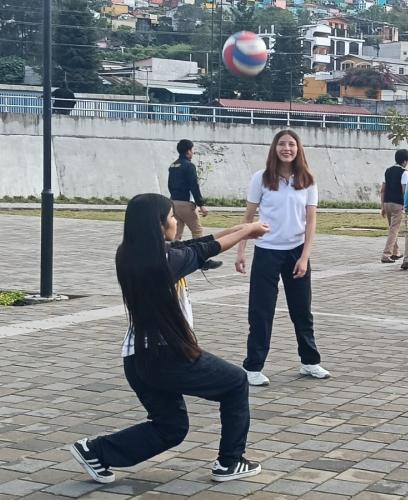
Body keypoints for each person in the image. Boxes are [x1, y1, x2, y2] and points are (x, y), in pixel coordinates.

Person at [69, 194, 268, 484]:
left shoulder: (130, 253)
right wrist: (248, 231)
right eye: (172, 217)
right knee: (236, 383)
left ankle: (96, 451)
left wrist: (238, 229)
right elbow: (205, 250)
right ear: (159, 225)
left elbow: (195, 245)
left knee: (170, 427)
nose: (176, 221)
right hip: (169, 357)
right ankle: (230, 462)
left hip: (137, 359)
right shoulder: (164, 262)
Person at [236, 130, 330, 386]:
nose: (286, 148)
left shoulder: (308, 180)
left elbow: (311, 221)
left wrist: (305, 257)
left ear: (298, 149)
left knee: (302, 310)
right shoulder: (261, 179)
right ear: (274, 148)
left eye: (291, 144)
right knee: (261, 311)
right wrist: (241, 250)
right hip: (267, 251)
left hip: (296, 251)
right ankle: (253, 367)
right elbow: (248, 219)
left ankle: (310, 361)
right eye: (282, 144)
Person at [168, 139, 222, 270]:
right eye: (192, 150)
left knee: (177, 233)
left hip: (173, 202)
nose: (193, 152)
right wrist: (201, 204)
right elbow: (194, 186)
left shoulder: (173, 165)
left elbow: (169, 185)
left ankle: (170, 257)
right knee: (197, 231)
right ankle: (202, 260)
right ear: (188, 151)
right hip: (186, 204)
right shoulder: (189, 166)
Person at [380, 149, 408, 263]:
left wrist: (382, 206)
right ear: (404, 161)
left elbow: (383, 190)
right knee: (394, 229)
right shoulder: (404, 173)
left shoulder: (388, 171)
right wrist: (407, 206)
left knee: (392, 228)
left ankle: (395, 252)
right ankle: (386, 254)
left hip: (387, 202)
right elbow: (405, 191)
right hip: (397, 204)